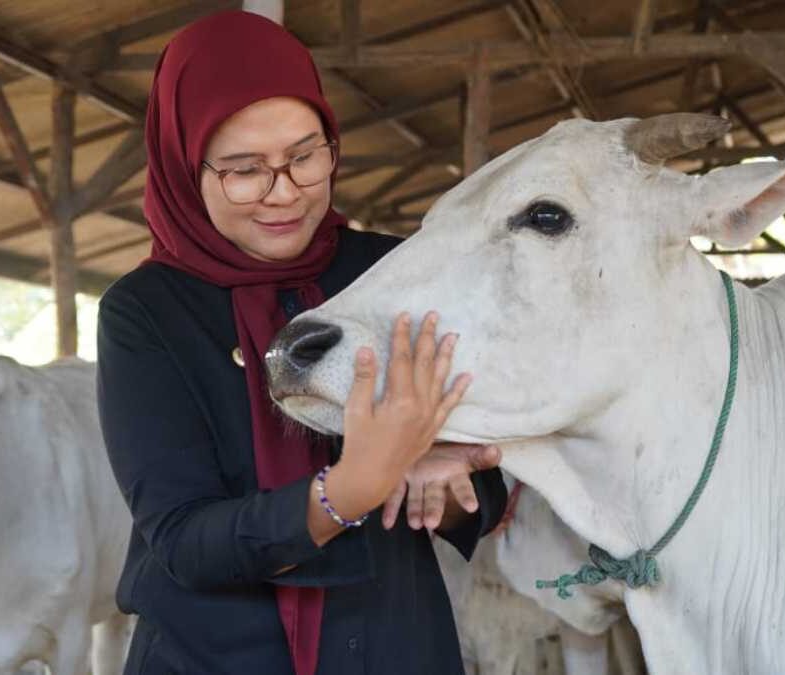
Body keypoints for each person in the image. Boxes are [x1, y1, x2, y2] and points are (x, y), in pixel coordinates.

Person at [96, 10, 507, 675]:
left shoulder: (391, 272)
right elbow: (183, 540)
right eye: (244, 169)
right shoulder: (145, 314)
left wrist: (451, 476)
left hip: (393, 644)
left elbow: (483, 480)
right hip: (213, 656)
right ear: (183, 164)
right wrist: (350, 487)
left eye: (304, 156)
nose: (284, 193)